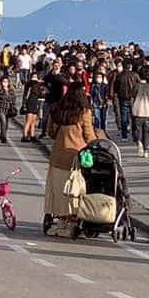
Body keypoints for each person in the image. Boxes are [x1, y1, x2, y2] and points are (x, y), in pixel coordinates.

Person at [45, 83, 96, 237]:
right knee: (73, 192)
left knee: (59, 192)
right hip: (75, 158)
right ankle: (72, 224)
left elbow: (51, 133)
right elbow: (89, 136)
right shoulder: (84, 113)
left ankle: (60, 223)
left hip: (57, 157)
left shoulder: (57, 110)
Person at [131, 69, 149, 157]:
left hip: (137, 111)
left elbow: (132, 98)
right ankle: (146, 150)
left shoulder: (136, 86)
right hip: (147, 112)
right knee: (146, 132)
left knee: (136, 130)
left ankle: (138, 142)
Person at [112, 61, 140, 141]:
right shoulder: (135, 75)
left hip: (123, 98)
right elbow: (139, 85)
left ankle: (124, 135)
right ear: (130, 66)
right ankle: (135, 134)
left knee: (123, 118)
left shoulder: (119, 76)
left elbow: (116, 88)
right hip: (133, 98)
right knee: (134, 117)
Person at [0, 76, 17, 144]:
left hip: (8, 109)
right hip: (0, 109)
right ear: (1, 82)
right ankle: (3, 137)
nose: (5, 83)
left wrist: (14, 107)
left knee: (6, 124)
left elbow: (14, 99)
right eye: (3, 82)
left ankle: (2, 133)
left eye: (6, 82)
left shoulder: (11, 91)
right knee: (3, 122)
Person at [21, 73, 45, 142]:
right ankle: (24, 135)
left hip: (35, 103)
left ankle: (32, 135)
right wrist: (24, 104)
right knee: (28, 120)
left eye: (36, 77)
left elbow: (41, 93)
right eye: (33, 77)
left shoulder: (38, 85)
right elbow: (25, 95)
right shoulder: (29, 84)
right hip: (29, 103)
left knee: (33, 121)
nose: (35, 78)